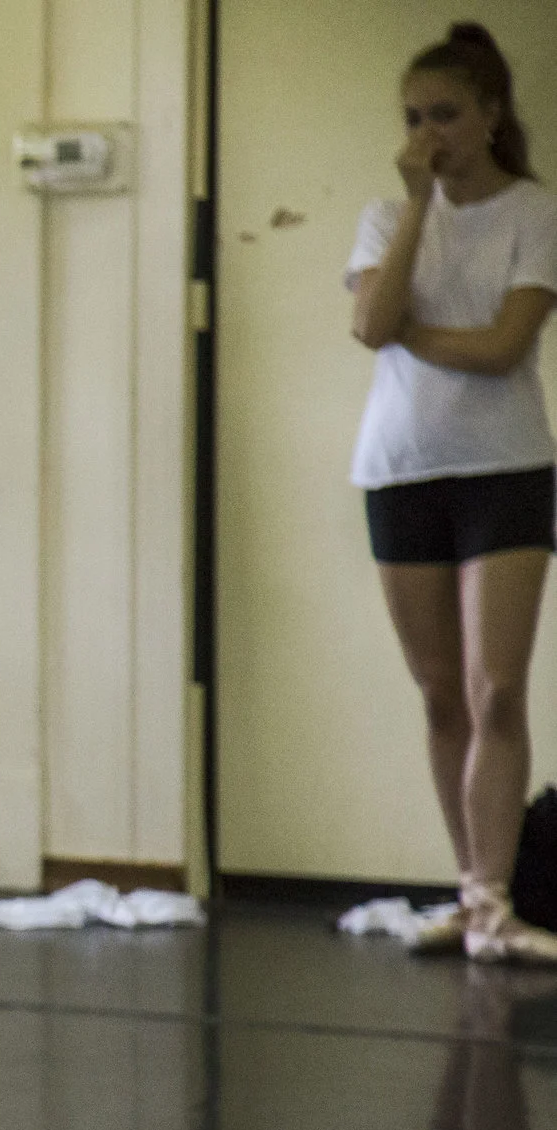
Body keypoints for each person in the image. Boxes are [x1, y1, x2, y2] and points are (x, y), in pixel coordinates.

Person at [348, 24, 557, 961]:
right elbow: (369, 324)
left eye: (445, 115)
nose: (427, 134)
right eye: (412, 118)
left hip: (504, 470)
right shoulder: (386, 217)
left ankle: (497, 902)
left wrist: (408, 333)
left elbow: (504, 348)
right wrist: (416, 205)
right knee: (441, 696)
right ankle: (471, 897)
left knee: (497, 687)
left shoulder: (534, 212)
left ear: (490, 116)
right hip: (400, 470)